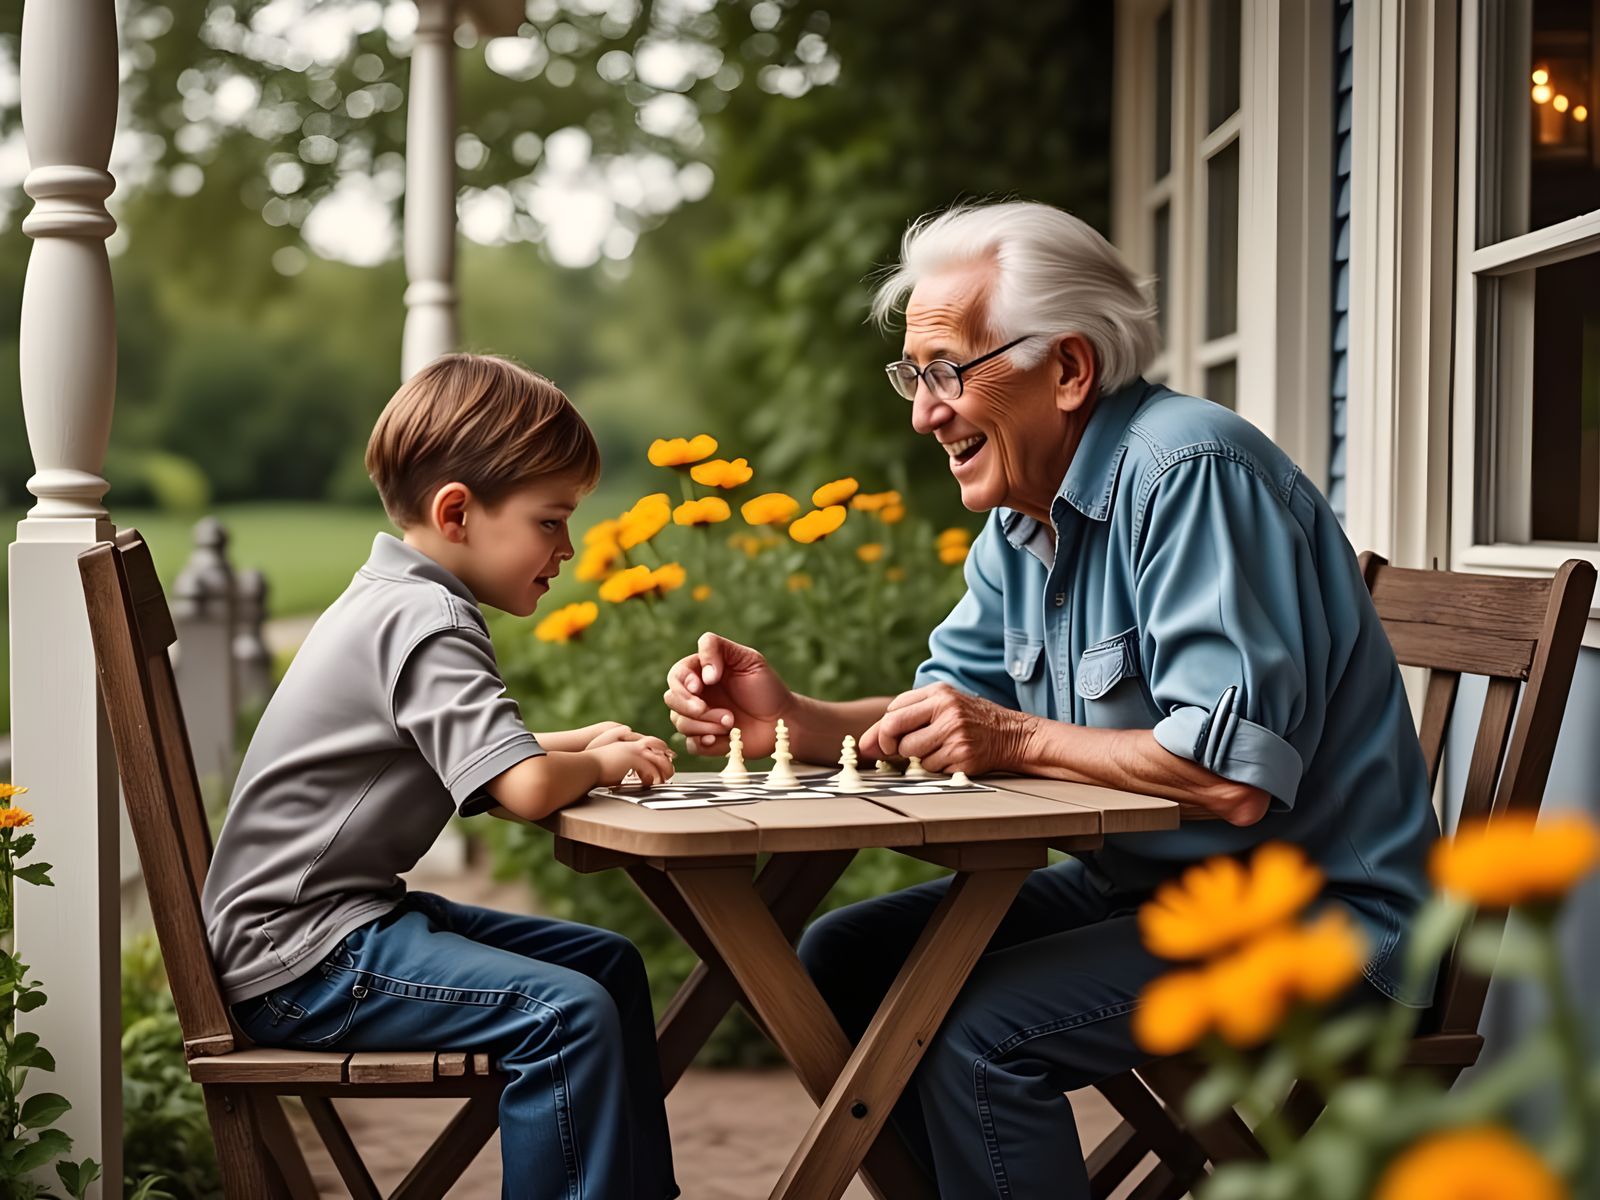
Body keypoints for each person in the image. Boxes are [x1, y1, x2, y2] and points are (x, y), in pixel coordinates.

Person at [662, 201, 1439, 1198]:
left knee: (981, 1036)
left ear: (1067, 368)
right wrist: (799, 724)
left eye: (947, 370)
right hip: (1156, 889)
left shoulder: (1190, 474)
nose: (922, 411)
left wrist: (1015, 735)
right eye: (913, 374)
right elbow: (956, 707)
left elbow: (1224, 774)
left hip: (1319, 915)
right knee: (847, 960)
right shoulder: (1030, 512)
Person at [203, 353, 679, 1200]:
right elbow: (526, 789)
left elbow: (478, 757)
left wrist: (569, 741)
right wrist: (599, 762)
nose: (567, 548)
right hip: (301, 962)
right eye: (550, 521)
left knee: (606, 967)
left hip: (322, 932)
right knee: (564, 1016)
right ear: (457, 511)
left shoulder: (392, 596)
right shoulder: (428, 620)